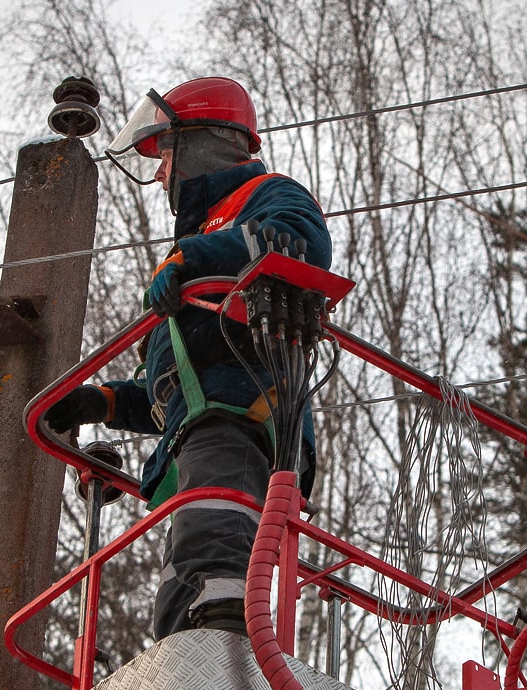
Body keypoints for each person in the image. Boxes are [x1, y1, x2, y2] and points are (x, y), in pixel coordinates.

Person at [44, 76, 331, 638]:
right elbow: (174, 385)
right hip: (203, 420)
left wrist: (194, 257)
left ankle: (223, 622)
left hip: (246, 410)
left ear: (202, 143)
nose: (159, 174)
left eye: (166, 155)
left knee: (213, 525)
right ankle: (185, 644)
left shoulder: (265, 195)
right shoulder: (193, 250)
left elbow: (301, 241)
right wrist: (104, 402)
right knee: (183, 563)